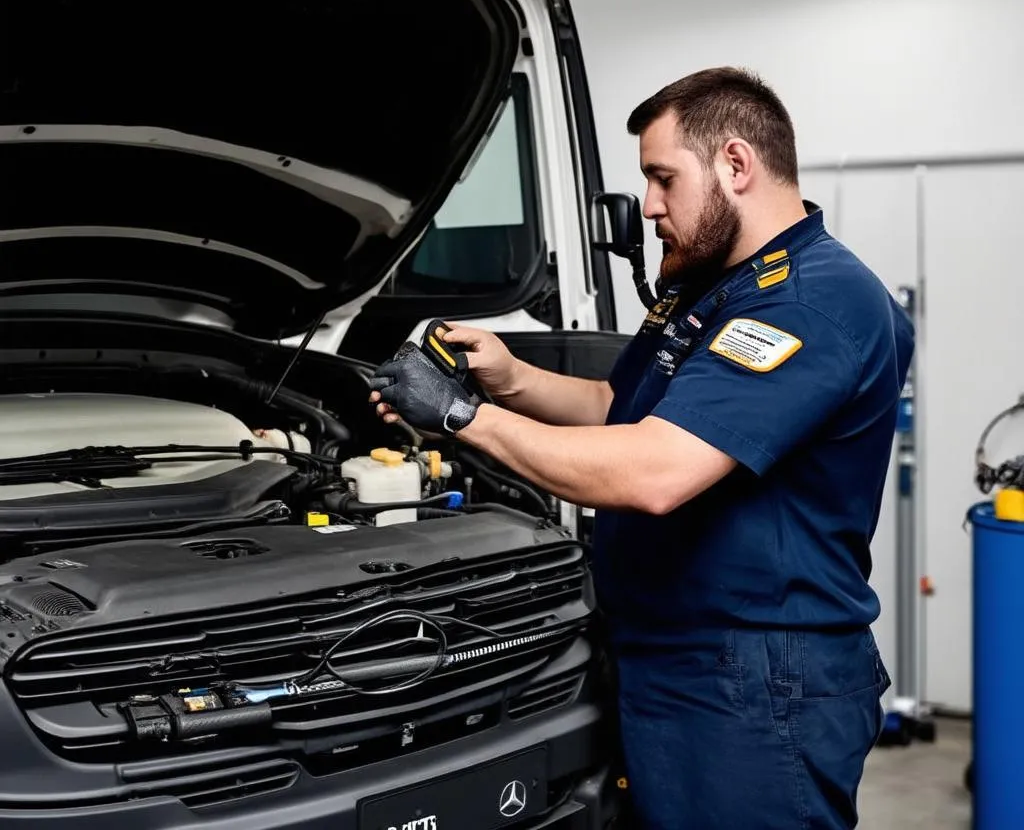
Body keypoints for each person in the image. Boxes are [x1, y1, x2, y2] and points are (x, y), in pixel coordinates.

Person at [369, 66, 914, 829]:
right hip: (671, 653)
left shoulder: (813, 302)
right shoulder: (712, 287)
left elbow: (656, 470)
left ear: (734, 164)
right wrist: (508, 378)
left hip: (752, 679)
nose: (648, 205)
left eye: (662, 178)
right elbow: (624, 411)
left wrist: (462, 417)